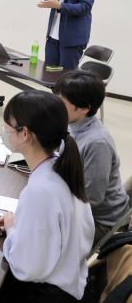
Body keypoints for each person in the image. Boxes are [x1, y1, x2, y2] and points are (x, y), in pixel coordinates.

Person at [0, 90, 94, 302]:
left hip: (48, 295)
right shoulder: (62, 167)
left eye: (8, 127)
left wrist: (12, 229)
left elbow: (26, 267)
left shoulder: (40, 190)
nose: (5, 132)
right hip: (72, 281)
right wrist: (21, 223)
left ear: (25, 134)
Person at [53, 70, 129, 245]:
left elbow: (91, 198)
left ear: (84, 108)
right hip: (74, 201)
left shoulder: (97, 143)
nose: (55, 105)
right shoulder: (72, 123)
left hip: (102, 222)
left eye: (61, 102)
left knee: (41, 236)